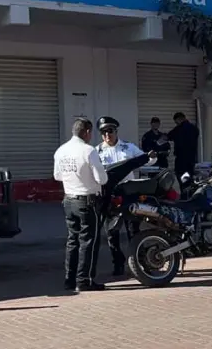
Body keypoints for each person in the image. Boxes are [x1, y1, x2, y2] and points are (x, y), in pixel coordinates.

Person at [53, 117, 108, 292]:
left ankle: (69, 279)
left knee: (73, 240)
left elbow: (57, 176)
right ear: (87, 132)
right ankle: (85, 280)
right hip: (87, 200)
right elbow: (102, 178)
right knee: (88, 241)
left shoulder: (61, 151)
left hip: (68, 200)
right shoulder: (88, 151)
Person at [96, 117, 144, 277]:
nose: (107, 135)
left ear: (116, 132)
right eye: (104, 132)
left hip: (129, 193)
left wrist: (152, 156)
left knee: (133, 230)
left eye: (110, 131)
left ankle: (139, 262)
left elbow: (146, 159)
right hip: (109, 196)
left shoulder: (128, 147)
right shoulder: (97, 152)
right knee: (112, 234)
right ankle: (118, 264)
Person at [167, 111, 200, 182]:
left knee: (182, 180)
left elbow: (169, 136)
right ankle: (189, 191)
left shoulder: (179, 129)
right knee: (189, 178)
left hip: (181, 160)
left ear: (179, 119)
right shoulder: (194, 128)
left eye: (176, 122)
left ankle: (184, 192)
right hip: (191, 159)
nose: (176, 124)